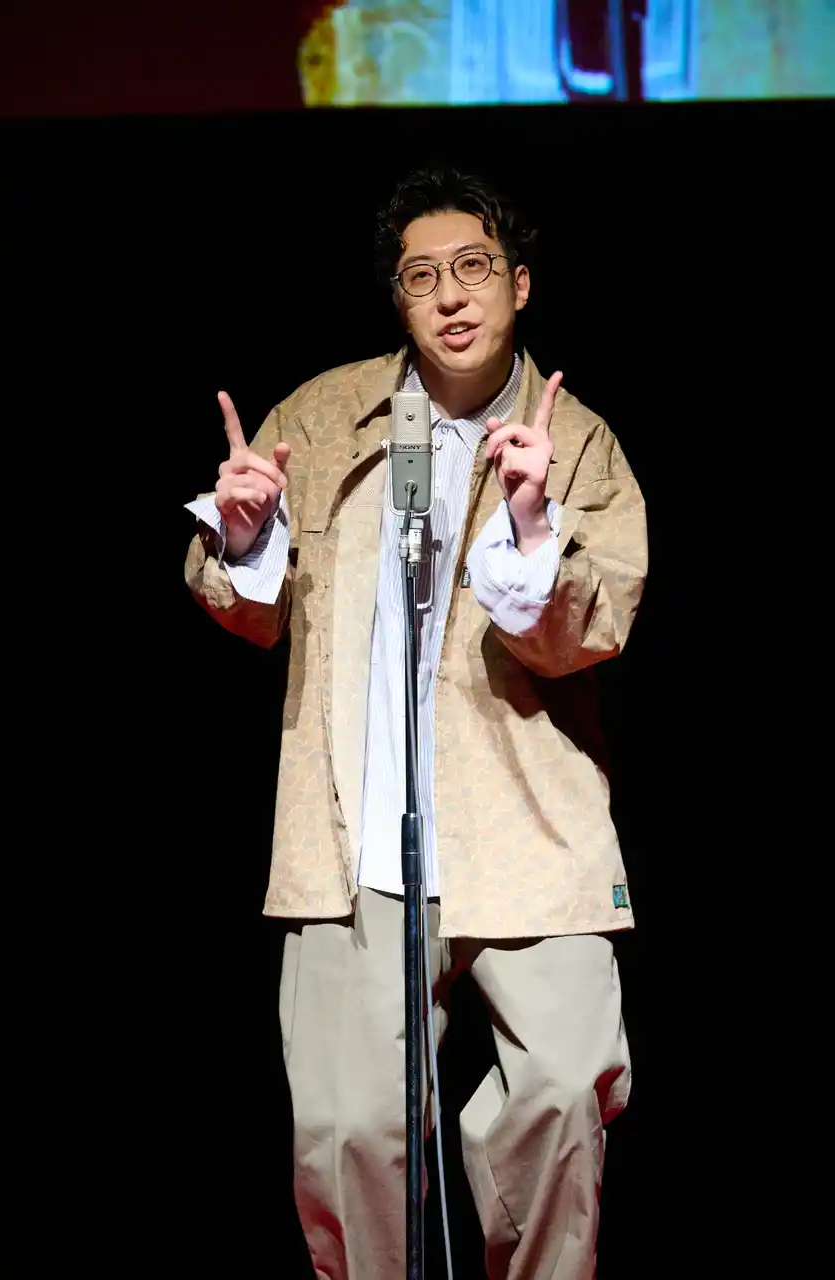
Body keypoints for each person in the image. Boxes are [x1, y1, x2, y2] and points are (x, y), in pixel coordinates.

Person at [184, 166, 648, 1280]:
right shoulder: (321, 416)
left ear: (519, 284)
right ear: (397, 299)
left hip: (526, 824)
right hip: (353, 833)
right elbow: (245, 608)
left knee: (562, 1087)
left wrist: (532, 524)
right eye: (420, 275)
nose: (449, 295)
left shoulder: (576, 440)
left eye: (474, 267)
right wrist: (243, 538)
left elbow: (592, 628)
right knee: (349, 1127)